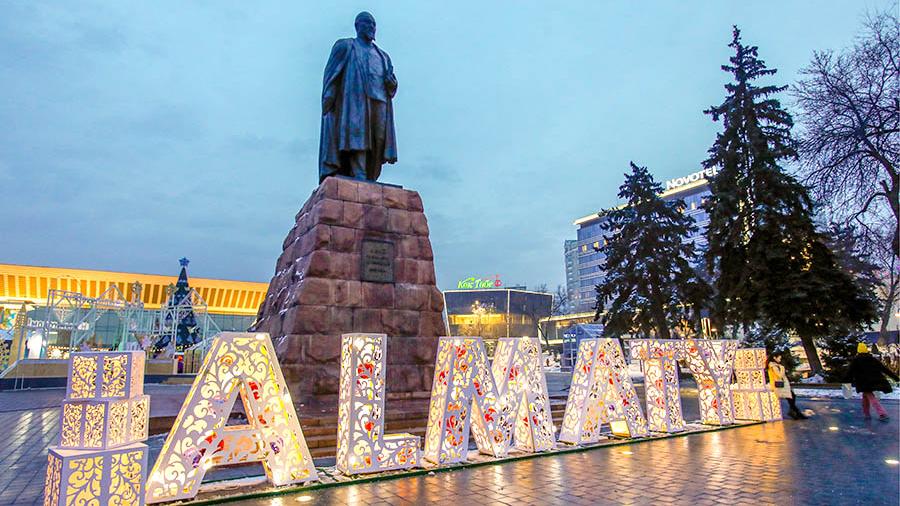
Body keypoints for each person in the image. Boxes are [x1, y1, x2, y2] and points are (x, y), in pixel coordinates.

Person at [319, 11, 398, 183]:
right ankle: (359, 174)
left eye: (374, 24)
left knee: (379, 139)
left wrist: (392, 84)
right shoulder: (346, 46)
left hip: (380, 101)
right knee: (357, 136)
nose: (371, 27)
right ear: (357, 26)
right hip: (356, 100)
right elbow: (331, 74)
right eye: (368, 23)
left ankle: (370, 176)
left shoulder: (383, 56)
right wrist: (329, 97)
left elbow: (392, 84)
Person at [846, 342, 898, 421]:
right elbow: (884, 369)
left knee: (871, 397)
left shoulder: (856, 361)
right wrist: (895, 378)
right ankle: (866, 414)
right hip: (873, 382)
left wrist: (846, 381)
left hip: (864, 383)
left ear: (858, 351)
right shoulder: (872, 359)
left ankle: (882, 414)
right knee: (865, 397)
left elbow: (850, 372)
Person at [767, 353, 807, 420]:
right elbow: (779, 375)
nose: (780, 359)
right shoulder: (773, 366)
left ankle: (794, 413)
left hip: (783, 386)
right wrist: (782, 368)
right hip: (780, 386)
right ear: (774, 358)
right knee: (791, 398)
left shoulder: (775, 365)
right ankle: (796, 413)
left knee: (792, 398)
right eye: (779, 358)